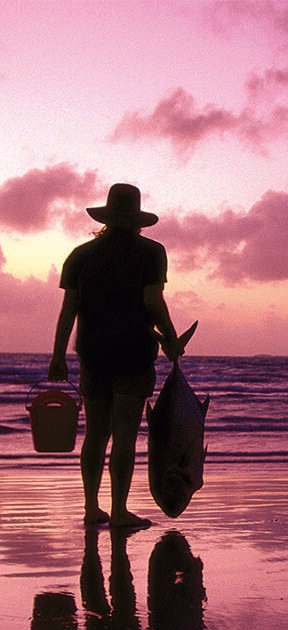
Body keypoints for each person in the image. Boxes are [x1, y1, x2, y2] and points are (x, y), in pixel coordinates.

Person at [49, 183, 183, 529]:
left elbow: (69, 310)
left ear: (106, 217)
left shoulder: (80, 254)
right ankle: (120, 511)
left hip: (93, 355)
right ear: (138, 219)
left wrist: (58, 356)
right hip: (133, 355)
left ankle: (92, 509)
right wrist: (170, 337)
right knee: (124, 435)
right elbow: (152, 302)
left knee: (95, 435)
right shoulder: (151, 252)